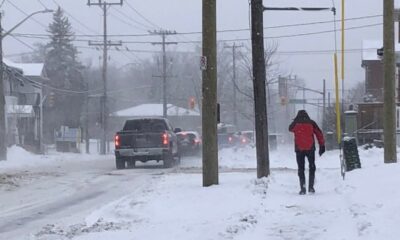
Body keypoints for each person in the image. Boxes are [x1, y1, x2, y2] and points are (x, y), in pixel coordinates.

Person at [289, 110, 325, 195]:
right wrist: (322, 145)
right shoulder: (311, 123)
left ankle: (303, 188)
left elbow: (290, 128)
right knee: (312, 167)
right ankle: (311, 187)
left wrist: (296, 121)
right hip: (310, 148)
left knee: (301, 168)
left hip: (299, 149)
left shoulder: (295, 123)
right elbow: (319, 133)